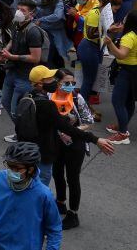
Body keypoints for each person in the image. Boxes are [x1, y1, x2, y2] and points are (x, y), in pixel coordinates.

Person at [15, 65, 115, 188]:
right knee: (39, 186)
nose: (54, 81)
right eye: (50, 79)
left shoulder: (26, 96)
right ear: (40, 84)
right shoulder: (47, 104)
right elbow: (67, 128)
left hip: (26, 150)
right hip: (43, 154)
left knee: (27, 183)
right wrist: (96, 139)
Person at [51, 69, 96, 229]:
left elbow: (89, 120)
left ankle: (73, 214)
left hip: (75, 144)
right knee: (57, 173)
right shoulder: (50, 98)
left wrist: (74, 131)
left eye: (73, 83)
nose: (71, 86)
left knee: (72, 177)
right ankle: (61, 202)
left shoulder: (77, 98)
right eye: (67, 83)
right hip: (56, 143)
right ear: (57, 83)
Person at [0, 0, 44, 140]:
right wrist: (4, 53)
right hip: (12, 73)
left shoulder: (33, 32)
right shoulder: (16, 24)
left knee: (16, 110)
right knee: (5, 102)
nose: (18, 12)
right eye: (18, 8)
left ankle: (26, 135)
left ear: (31, 14)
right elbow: (13, 40)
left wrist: (12, 57)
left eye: (23, 10)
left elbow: (35, 58)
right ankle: (23, 132)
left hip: (25, 77)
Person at [101, 9, 137, 145]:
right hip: (134, 71)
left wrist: (109, 43)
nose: (123, 19)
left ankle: (123, 134)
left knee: (118, 101)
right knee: (129, 101)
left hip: (126, 71)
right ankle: (123, 126)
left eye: (126, 18)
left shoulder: (129, 37)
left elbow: (121, 55)